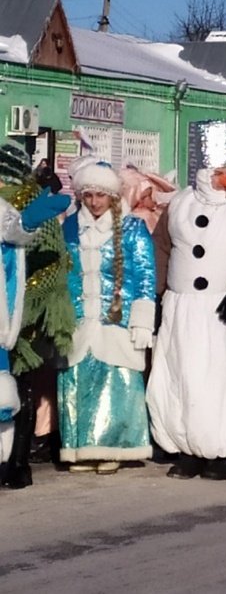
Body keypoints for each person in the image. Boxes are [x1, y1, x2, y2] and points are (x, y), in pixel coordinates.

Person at [147, 121, 226, 481]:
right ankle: (189, 449)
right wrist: (158, 293)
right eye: (216, 172)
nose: (223, 178)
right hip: (184, 307)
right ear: (204, 172)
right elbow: (161, 248)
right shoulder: (179, 204)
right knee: (184, 376)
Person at [57, 158, 156, 474]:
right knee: (77, 382)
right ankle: (81, 449)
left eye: (101, 195)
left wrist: (142, 318)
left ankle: (116, 447)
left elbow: (144, 274)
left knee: (115, 385)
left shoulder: (132, 227)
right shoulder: (70, 226)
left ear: (112, 196)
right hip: (78, 321)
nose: (95, 202)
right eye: (89, 196)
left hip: (118, 321)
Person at [0, 143, 71, 489]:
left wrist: (29, 305)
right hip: (10, 308)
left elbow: (52, 259)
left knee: (19, 385)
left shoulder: (29, 202)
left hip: (21, 313)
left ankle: (16, 461)